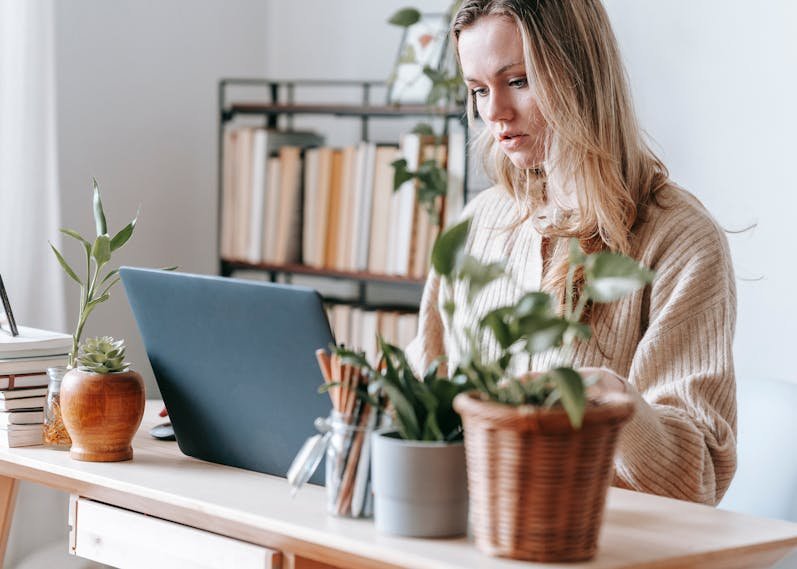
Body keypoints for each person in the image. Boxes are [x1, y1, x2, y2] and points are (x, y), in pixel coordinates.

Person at [406, 0, 736, 506]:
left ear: (579, 73)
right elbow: (424, 392)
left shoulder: (680, 241)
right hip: (472, 528)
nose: (493, 112)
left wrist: (616, 403)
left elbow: (699, 479)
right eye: (478, 90)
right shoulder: (477, 224)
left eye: (518, 81)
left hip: (600, 539)